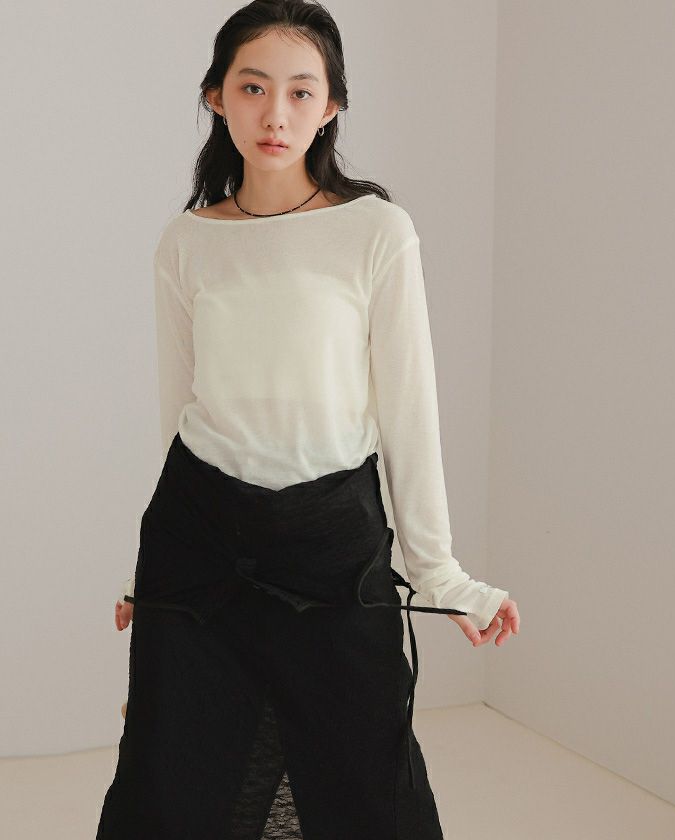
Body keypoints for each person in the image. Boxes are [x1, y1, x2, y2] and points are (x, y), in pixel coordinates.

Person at [97, 2, 520, 838]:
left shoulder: (376, 232)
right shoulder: (185, 242)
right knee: (174, 781)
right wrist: (150, 576)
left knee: (362, 782)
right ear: (217, 97)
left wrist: (440, 575)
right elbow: (179, 415)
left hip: (331, 543)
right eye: (253, 88)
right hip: (197, 543)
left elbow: (410, 412)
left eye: (300, 91)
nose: (276, 114)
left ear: (331, 106)